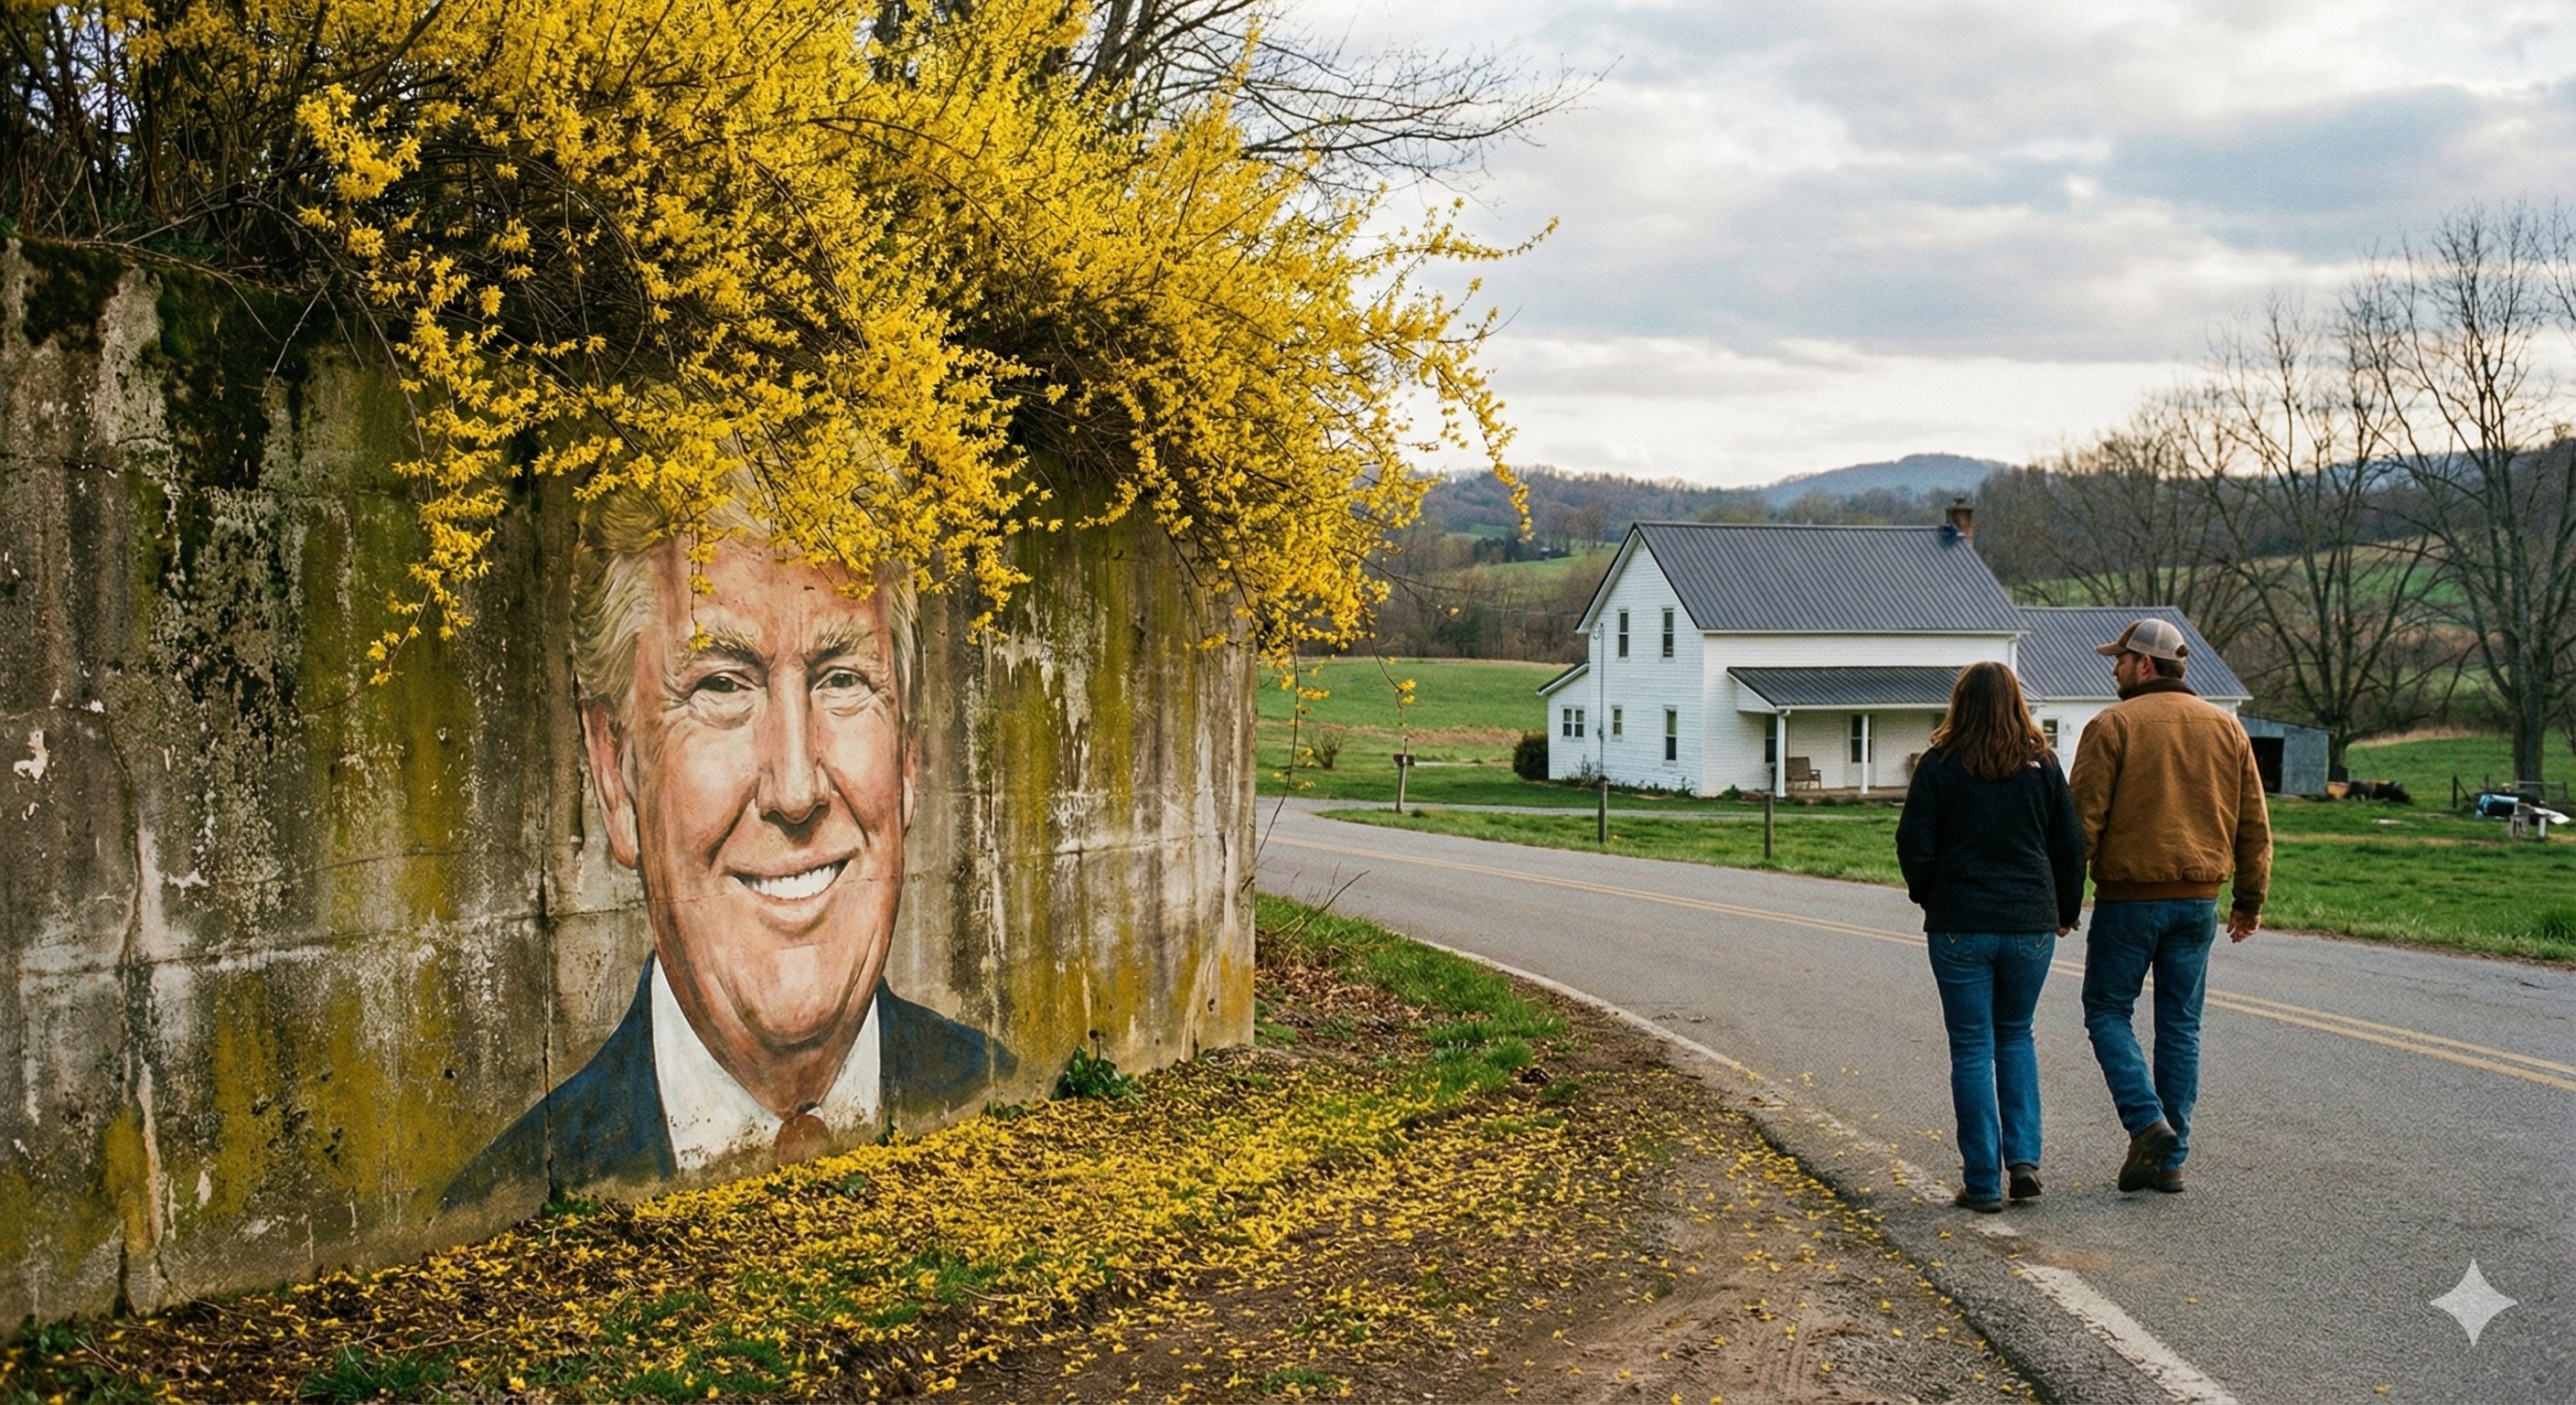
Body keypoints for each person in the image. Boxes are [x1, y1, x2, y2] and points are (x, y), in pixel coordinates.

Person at [445, 490, 1011, 1208]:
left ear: (907, 759)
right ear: (615, 773)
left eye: (843, 681)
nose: (796, 789)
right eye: (721, 686)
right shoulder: (510, 1204)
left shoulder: (999, 1102)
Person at [2068, 617, 2270, 1196]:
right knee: (2181, 1026)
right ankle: (2170, 1160)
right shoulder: (2226, 728)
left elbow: (2082, 823)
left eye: (2120, 659)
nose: (2114, 669)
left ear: (2145, 665)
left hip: (2129, 902)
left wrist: (2064, 897)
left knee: (2107, 1011)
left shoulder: (2112, 726)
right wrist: (2250, 899)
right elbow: (2253, 823)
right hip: (2198, 903)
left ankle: (2146, 1123)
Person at [1895, 661, 2086, 1214]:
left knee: (1972, 1047)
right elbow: (2070, 845)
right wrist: (2065, 910)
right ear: (2016, 703)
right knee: (2016, 1035)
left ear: (1961, 704)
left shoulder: (1939, 765)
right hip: (2030, 923)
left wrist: (1930, 895)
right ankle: (2024, 1162)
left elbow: (1913, 844)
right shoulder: (2043, 765)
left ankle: (1982, 1183)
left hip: (1960, 924)